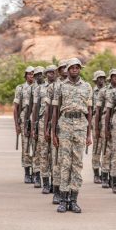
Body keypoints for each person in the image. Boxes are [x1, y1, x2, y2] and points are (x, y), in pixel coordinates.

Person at [52, 58, 92, 213]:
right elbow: (55, 110)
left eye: (77, 67)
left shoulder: (87, 87)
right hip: (65, 124)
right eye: (72, 68)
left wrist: (89, 134)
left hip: (81, 125)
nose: (75, 70)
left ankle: (73, 200)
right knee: (64, 163)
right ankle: (63, 199)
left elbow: (90, 111)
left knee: (77, 164)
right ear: (67, 70)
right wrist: (54, 132)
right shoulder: (60, 86)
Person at [45, 60, 68, 204]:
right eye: (63, 68)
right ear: (59, 70)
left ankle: (69, 192)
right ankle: (57, 190)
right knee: (57, 161)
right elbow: (49, 110)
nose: (66, 70)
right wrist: (48, 129)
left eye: (68, 67)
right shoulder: (54, 87)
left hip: (74, 128)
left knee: (70, 162)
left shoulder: (82, 86)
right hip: (58, 127)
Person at [32, 65, 56, 194]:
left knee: (55, 154)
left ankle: (54, 182)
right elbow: (35, 108)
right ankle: (45, 181)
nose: (51, 74)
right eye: (49, 72)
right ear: (46, 74)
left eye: (53, 72)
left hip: (56, 123)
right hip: (42, 121)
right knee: (44, 152)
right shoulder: (40, 89)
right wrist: (34, 125)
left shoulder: (60, 87)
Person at [95, 69, 116, 188]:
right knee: (106, 150)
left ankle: (113, 176)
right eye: (114, 76)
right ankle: (104, 176)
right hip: (106, 121)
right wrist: (98, 127)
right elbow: (98, 110)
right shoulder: (104, 91)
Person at [13, 66, 36, 183]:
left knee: (37, 147)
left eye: (33, 74)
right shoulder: (20, 88)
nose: (31, 76)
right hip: (24, 119)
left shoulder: (39, 87)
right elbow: (16, 108)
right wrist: (17, 125)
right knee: (26, 147)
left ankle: (36, 172)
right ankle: (27, 172)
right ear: (25, 75)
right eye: (29, 74)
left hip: (36, 120)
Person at [30, 66, 45, 188]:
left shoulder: (49, 87)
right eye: (37, 75)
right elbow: (33, 108)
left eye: (41, 74)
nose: (39, 76)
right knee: (37, 149)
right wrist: (32, 125)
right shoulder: (35, 89)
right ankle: (36, 174)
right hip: (37, 120)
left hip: (46, 121)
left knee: (45, 151)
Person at [91, 70, 106, 184]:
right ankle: (96, 174)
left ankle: (106, 173)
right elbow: (89, 109)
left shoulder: (108, 91)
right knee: (97, 148)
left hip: (106, 122)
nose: (101, 79)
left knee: (106, 148)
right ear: (95, 80)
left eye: (103, 77)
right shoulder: (92, 92)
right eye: (99, 78)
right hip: (95, 121)